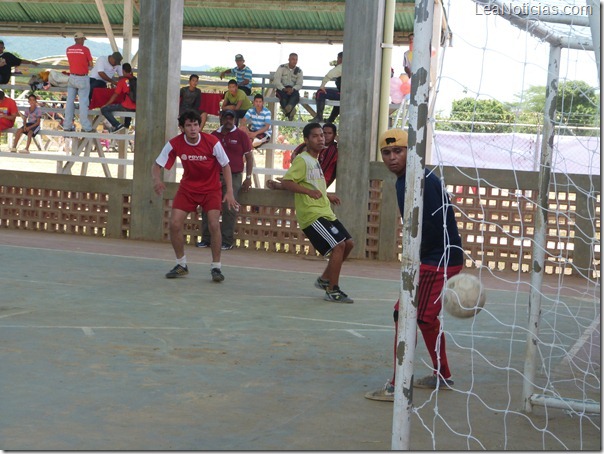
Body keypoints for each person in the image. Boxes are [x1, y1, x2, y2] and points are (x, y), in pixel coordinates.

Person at [364, 129, 464, 401]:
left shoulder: (419, 179)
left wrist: (416, 258)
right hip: (433, 258)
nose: (392, 157)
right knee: (423, 319)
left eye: (398, 151)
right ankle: (442, 374)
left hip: (437, 258)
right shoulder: (406, 178)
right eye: (387, 152)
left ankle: (399, 385)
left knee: (407, 315)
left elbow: (431, 226)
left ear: (412, 152)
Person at [152, 109, 238, 282]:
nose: (193, 128)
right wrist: (157, 180)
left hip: (211, 190)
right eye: (189, 125)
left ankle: (216, 268)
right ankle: (181, 265)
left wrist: (229, 191)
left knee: (214, 225)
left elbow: (226, 166)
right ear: (182, 128)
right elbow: (157, 165)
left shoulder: (212, 142)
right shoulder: (175, 143)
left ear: (200, 126)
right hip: (188, 189)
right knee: (174, 224)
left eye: (196, 124)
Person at [280, 122, 354, 303]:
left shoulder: (316, 161)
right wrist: (308, 192)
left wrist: (327, 195)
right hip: (312, 215)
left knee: (349, 243)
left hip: (325, 211)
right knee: (338, 246)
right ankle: (332, 290)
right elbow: (287, 182)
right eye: (315, 136)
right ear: (306, 140)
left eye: (322, 135)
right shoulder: (302, 160)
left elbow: (311, 184)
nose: (321, 138)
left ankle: (324, 279)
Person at [196, 109, 253, 250]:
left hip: (234, 175)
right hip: (214, 175)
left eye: (231, 118)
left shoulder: (241, 135)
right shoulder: (214, 135)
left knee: (229, 207)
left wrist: (248, 177)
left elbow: (249, 157)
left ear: (235, 120)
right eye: (226, 118)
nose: (228, 121)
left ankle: (227, 240)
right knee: (207, 205)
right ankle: (206, 238)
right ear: (221, 119)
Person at [268, 122, 338, 189]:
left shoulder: (331, 150)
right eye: (324, 133)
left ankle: (281, 185)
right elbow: (305, 144)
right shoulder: (311, 151)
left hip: (321, 180)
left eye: (329, 133)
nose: (326, 136)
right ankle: (287, 182)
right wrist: (295, 153)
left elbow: (321, 172)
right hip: (314, 177)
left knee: (296, 184)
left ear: (334, 135)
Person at [63, 31, 94, 133]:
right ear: (80, 39)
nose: (84, 41)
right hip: (82, 77)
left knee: (69, 102)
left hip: (72, 77)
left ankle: (67, 126)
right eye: (83, 39)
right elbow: (91, 64)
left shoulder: (68, 50)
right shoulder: (85, 50)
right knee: (83, 103)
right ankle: (86, 127)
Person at [100, 62, 136, 132]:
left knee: (104, 109)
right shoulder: (136, 80)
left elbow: (115, 95)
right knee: (128, 106)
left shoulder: (122, 81)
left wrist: (106, 104)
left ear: (123, 71)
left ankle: (117, 125)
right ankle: (126, 125)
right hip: (136, 107)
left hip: (127, 106)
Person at [312, 51, 342, 124]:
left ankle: (319, 117)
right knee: (338, 103)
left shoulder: (341, 67)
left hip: (343, 94)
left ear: (340, 59)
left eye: (338, 59)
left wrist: (322, 86)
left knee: (320, 92)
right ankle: (330, 120)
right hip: (348, 94)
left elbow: (329, 75)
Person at [273, 53, 303, 121]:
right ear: (289, 59)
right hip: (282, 88)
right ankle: (290, 111)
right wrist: (284, 89)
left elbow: (299, 84)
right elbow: (276, 80)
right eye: (293, 59)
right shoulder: (281, 67)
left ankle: (288, 110)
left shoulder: (299, 71)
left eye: (296, 59)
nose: (294, 61)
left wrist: (292, 89)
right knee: (283, 98)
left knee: (296, 96)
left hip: (293, 89)